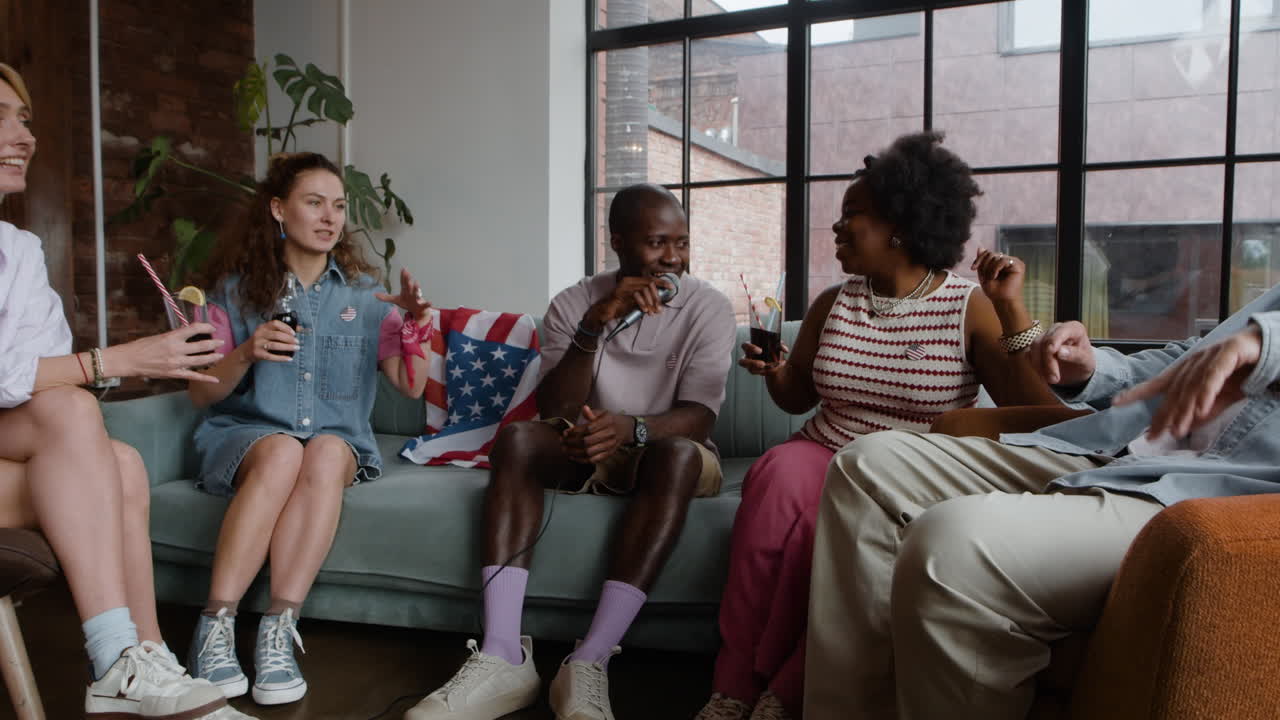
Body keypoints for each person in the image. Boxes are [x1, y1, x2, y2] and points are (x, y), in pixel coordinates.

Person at [694, 131, 1058, 720]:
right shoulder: (833, 301)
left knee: (836, 538)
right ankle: (731, 687)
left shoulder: (967, 305)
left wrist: (1012, 308)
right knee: (777, 477)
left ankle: (786, 692)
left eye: (852, 217)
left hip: (905, 476)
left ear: (901, 225)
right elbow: (796, 399)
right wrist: (776, 372)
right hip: (824, 450)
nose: (837, 231)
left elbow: (1040, 410)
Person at [804, 280, 1280, 719]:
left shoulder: (963, 303)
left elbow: (1252, 350)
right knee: (866, 466)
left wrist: (1265, 344)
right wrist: (1093, 368)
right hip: (1115, 451)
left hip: (1206, 497)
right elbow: (1188, 359)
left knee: (954, 546)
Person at [405, 183, 737, 720]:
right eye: (657, 243)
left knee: (673, 454)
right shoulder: (574, 302)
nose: (672, 258)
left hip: (664, 449)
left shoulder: (709, 308)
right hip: (589, 442)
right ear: (618, 242)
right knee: (517, 439)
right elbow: (556, 405)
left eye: (681, 243)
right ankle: (503, 654)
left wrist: (631, 429)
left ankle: (590, 660)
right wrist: (594, 324)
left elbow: (699, 418)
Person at [0, 63, 244, 719]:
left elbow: (37, 372)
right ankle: (116, 660)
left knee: (124, 463)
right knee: (76, 409)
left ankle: (146, 661)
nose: (23, 136)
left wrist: (119, 363)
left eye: (24, 120)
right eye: (0, 117)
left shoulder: (17, 250)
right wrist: (118, 358)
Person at [183, 152, 434, 705]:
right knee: (280, 453)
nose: (330, 217)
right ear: (278, 209)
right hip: (247, 434)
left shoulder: (368, 297)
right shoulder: (232, 290)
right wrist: (247, 351)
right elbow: (202, 392)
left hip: (335, 439)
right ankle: (215, 626)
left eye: (339, 206)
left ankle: (278, 629)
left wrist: (416, 326)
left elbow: (412, 386)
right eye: (314, 203)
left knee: (320, 450)